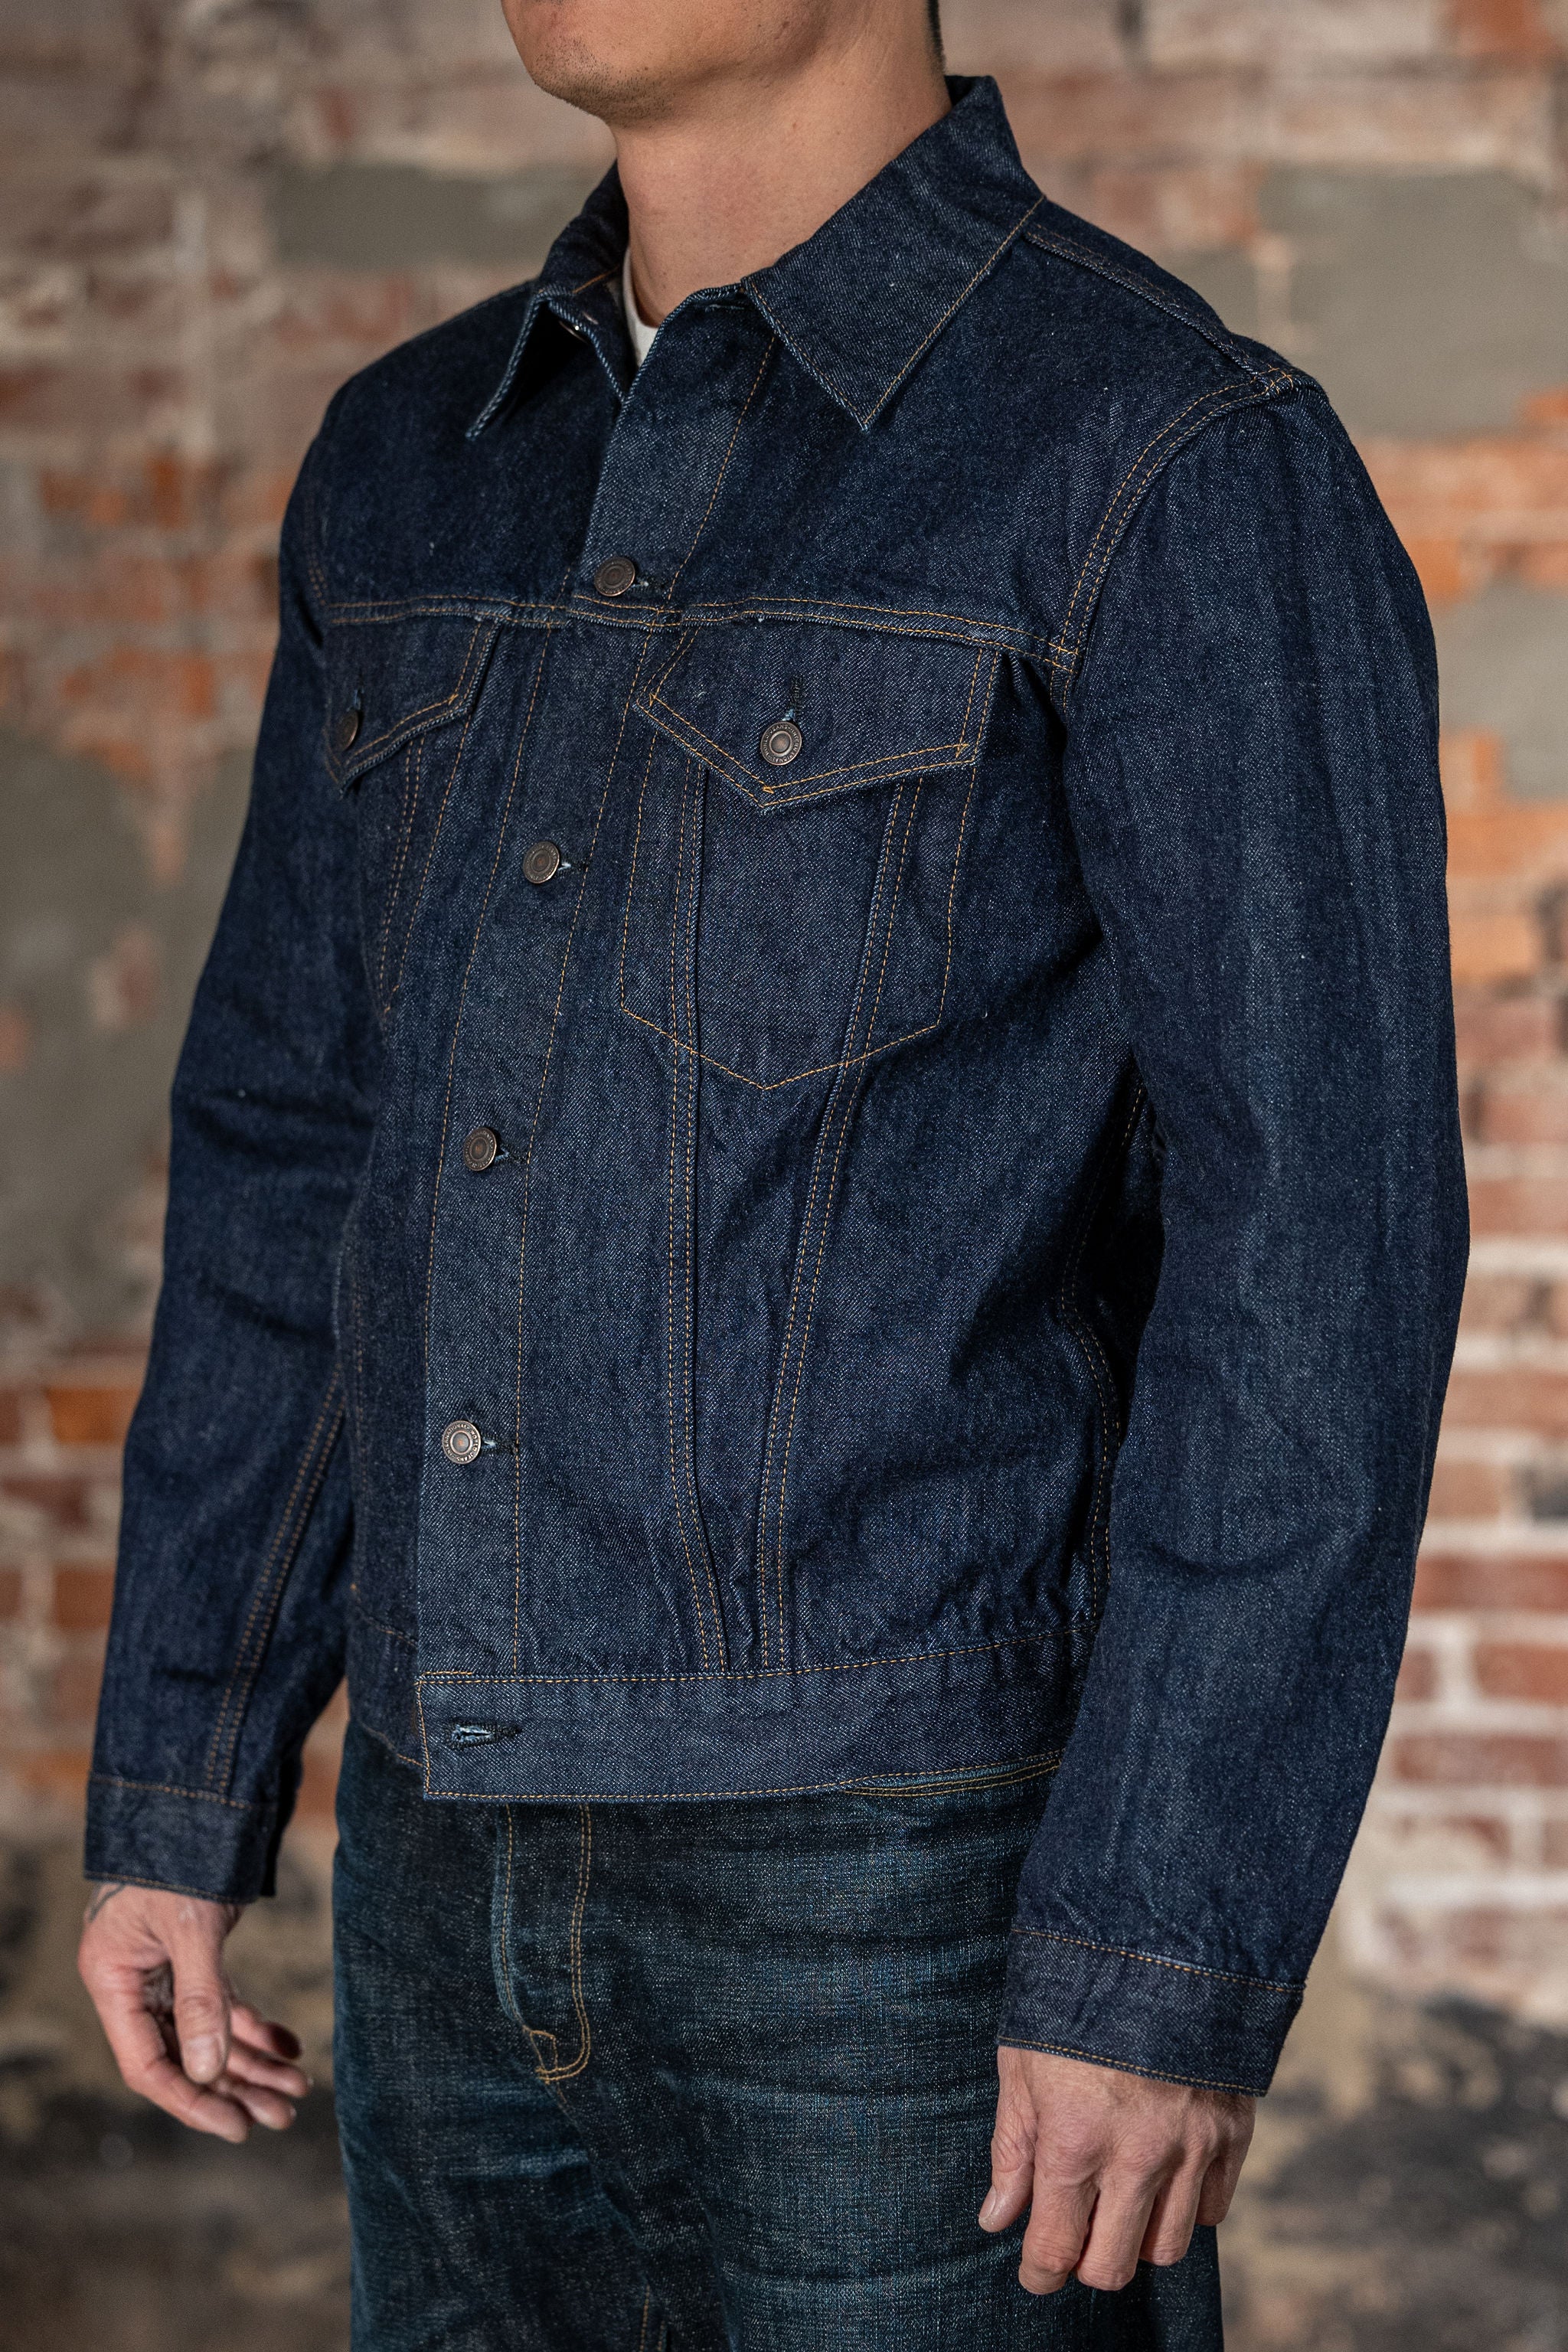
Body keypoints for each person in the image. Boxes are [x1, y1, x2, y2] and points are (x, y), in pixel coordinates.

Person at [76, 0, 1467, 2343]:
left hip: (906, 1899)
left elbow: (1316, 1251)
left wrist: (1162, 1948)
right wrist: (179, 1786)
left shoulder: (1161, 456)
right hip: (435, 1850)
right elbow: (296, 1154)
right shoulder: (408, 460)